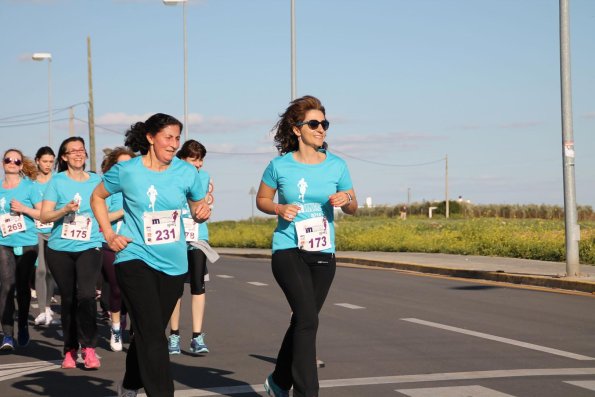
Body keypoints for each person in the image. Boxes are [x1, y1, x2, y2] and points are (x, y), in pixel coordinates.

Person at [90, 113, 211, 397]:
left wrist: (201, 213)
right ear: (150, 137)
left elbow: (197, 207)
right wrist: (109, 234)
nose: (173, 144)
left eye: (177, 138)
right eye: (168, 137)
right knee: (153, 334)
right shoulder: (128, 171)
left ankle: (131, 383)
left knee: (149, 331)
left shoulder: (187, 172)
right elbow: (97, 197)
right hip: (135, 257)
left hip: (173, 263)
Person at [256, 95, 358, 397]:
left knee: (304, 319)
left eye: (324, 124)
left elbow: (353, 206)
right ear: (297, 128)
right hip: (288, 249)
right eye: (314, 123)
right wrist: (278, 209)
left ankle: (278, 381)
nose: (321, 129)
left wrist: (347, 200)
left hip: (323, 251)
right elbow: (262, 199)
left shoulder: (337, 166)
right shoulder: (279, 166)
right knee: (308, 319)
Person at [40, 137, 103, 369]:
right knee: (68, 299)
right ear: (64, 157)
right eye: (73, 151)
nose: (79, 154)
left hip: (90, 244)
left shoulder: (97, 181)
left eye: (82, 150)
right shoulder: (56, 182)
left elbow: (109, 208)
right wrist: (64, 209)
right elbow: (45, 216)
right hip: (60, 248)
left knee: (86, 295)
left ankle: (89, 349)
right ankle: (69, 349)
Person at [167, 139, 219, 355]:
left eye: (201, 160)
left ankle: (197, 337)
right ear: (181, 159)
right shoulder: (171, 175)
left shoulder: (205, 178)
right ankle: (174, 335)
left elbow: (207, 208)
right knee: (175, 289)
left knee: (198, 285)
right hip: (175, 237)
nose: (198, 164)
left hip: (198, 236)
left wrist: (206, 208)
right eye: (193, 159)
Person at [0, 149, 42, 351]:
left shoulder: (30, 187)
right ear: (3, 163)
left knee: (23, 287)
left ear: (21, 165)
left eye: (17, 161)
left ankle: (23, 324)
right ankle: (7, 335)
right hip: (4, 242)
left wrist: (24, 209)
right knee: (7, 285)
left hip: (27, 241)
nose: (12, 163)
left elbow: (43, 213)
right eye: (8, 160)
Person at [99, 147, 136, 352]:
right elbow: (103, 216)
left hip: (137, 243)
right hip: (112, 242)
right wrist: (124, 210)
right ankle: (115, 328)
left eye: (129, 164)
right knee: (116, 288)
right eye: (120, 164)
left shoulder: (140, 186)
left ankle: (133, 327)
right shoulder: (109, 189)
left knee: (135, 289)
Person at [32, 146, 58, 326]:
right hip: (36, 230)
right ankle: (42, 310)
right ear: (37, 161)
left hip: (55, 230)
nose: (48, 165)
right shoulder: (31, 184)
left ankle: (47, 306)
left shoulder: (58, 181)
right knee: (40, 269)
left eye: (51, 161)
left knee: (51, 271)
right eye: (45, 161)